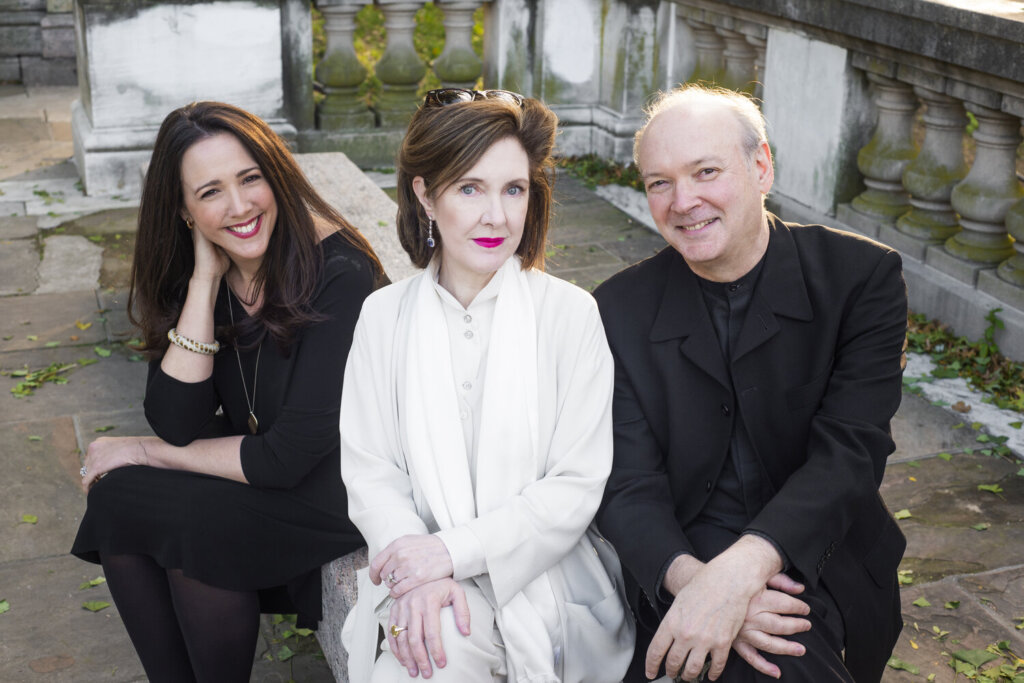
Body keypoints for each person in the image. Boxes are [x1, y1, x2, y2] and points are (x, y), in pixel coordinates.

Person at [594, 84, 908, 683]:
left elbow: (850, 453)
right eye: (659, 182)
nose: (683, 201)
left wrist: (739, 575)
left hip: (818, 550)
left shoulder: (861, 279)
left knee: (766, 659)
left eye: (705, 171)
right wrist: (700, 586)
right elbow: (627, 482)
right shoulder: (616, 308)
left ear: (761, 165)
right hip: (679, 555)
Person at [71, 101, 386, 683]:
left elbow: (290, 454)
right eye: (210, 192)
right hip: (268, 464)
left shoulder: (341, 274)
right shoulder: (210, 273)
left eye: (250, 179)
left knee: (195, 527)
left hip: (341, 487)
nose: (239, 208)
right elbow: (176, 418)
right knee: (117, 498)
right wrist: (205, 280)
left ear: (276, 176)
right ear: (185, 210)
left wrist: (143, 450)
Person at [338, 88, 635, 682]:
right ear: (425, 193)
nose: (497, 216)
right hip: (418, 563)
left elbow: (574, 486)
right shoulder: (382, 315)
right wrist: (417, 567)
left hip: (543, 575)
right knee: (424, 655)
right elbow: (371, 471)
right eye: (469, 188)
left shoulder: (570, 315)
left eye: (514, 189)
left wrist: (450, 553)